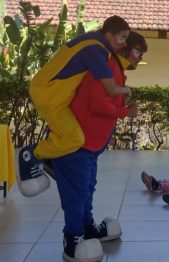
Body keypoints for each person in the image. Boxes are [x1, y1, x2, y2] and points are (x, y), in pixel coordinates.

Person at [54, 31, 146, 262]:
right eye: (137, 50)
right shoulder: (108, 67)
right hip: (76, 145)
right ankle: (72, 239)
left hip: (89, 146)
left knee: (86, 188)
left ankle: (87, 228)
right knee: (77, 192)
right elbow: (98, 104)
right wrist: (127, 112)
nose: (139, 56)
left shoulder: (116, 69)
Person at [17, 16, 133, 197]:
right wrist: (126, 89)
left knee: (66, 132)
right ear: (109, 35)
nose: (124, 44)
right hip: (50, 94)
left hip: (57, 95)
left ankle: (50, 159)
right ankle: (31, 155)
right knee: (74, 138)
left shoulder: (93, 42)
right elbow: (110, 89)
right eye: (122, 38)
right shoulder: (96, 49)